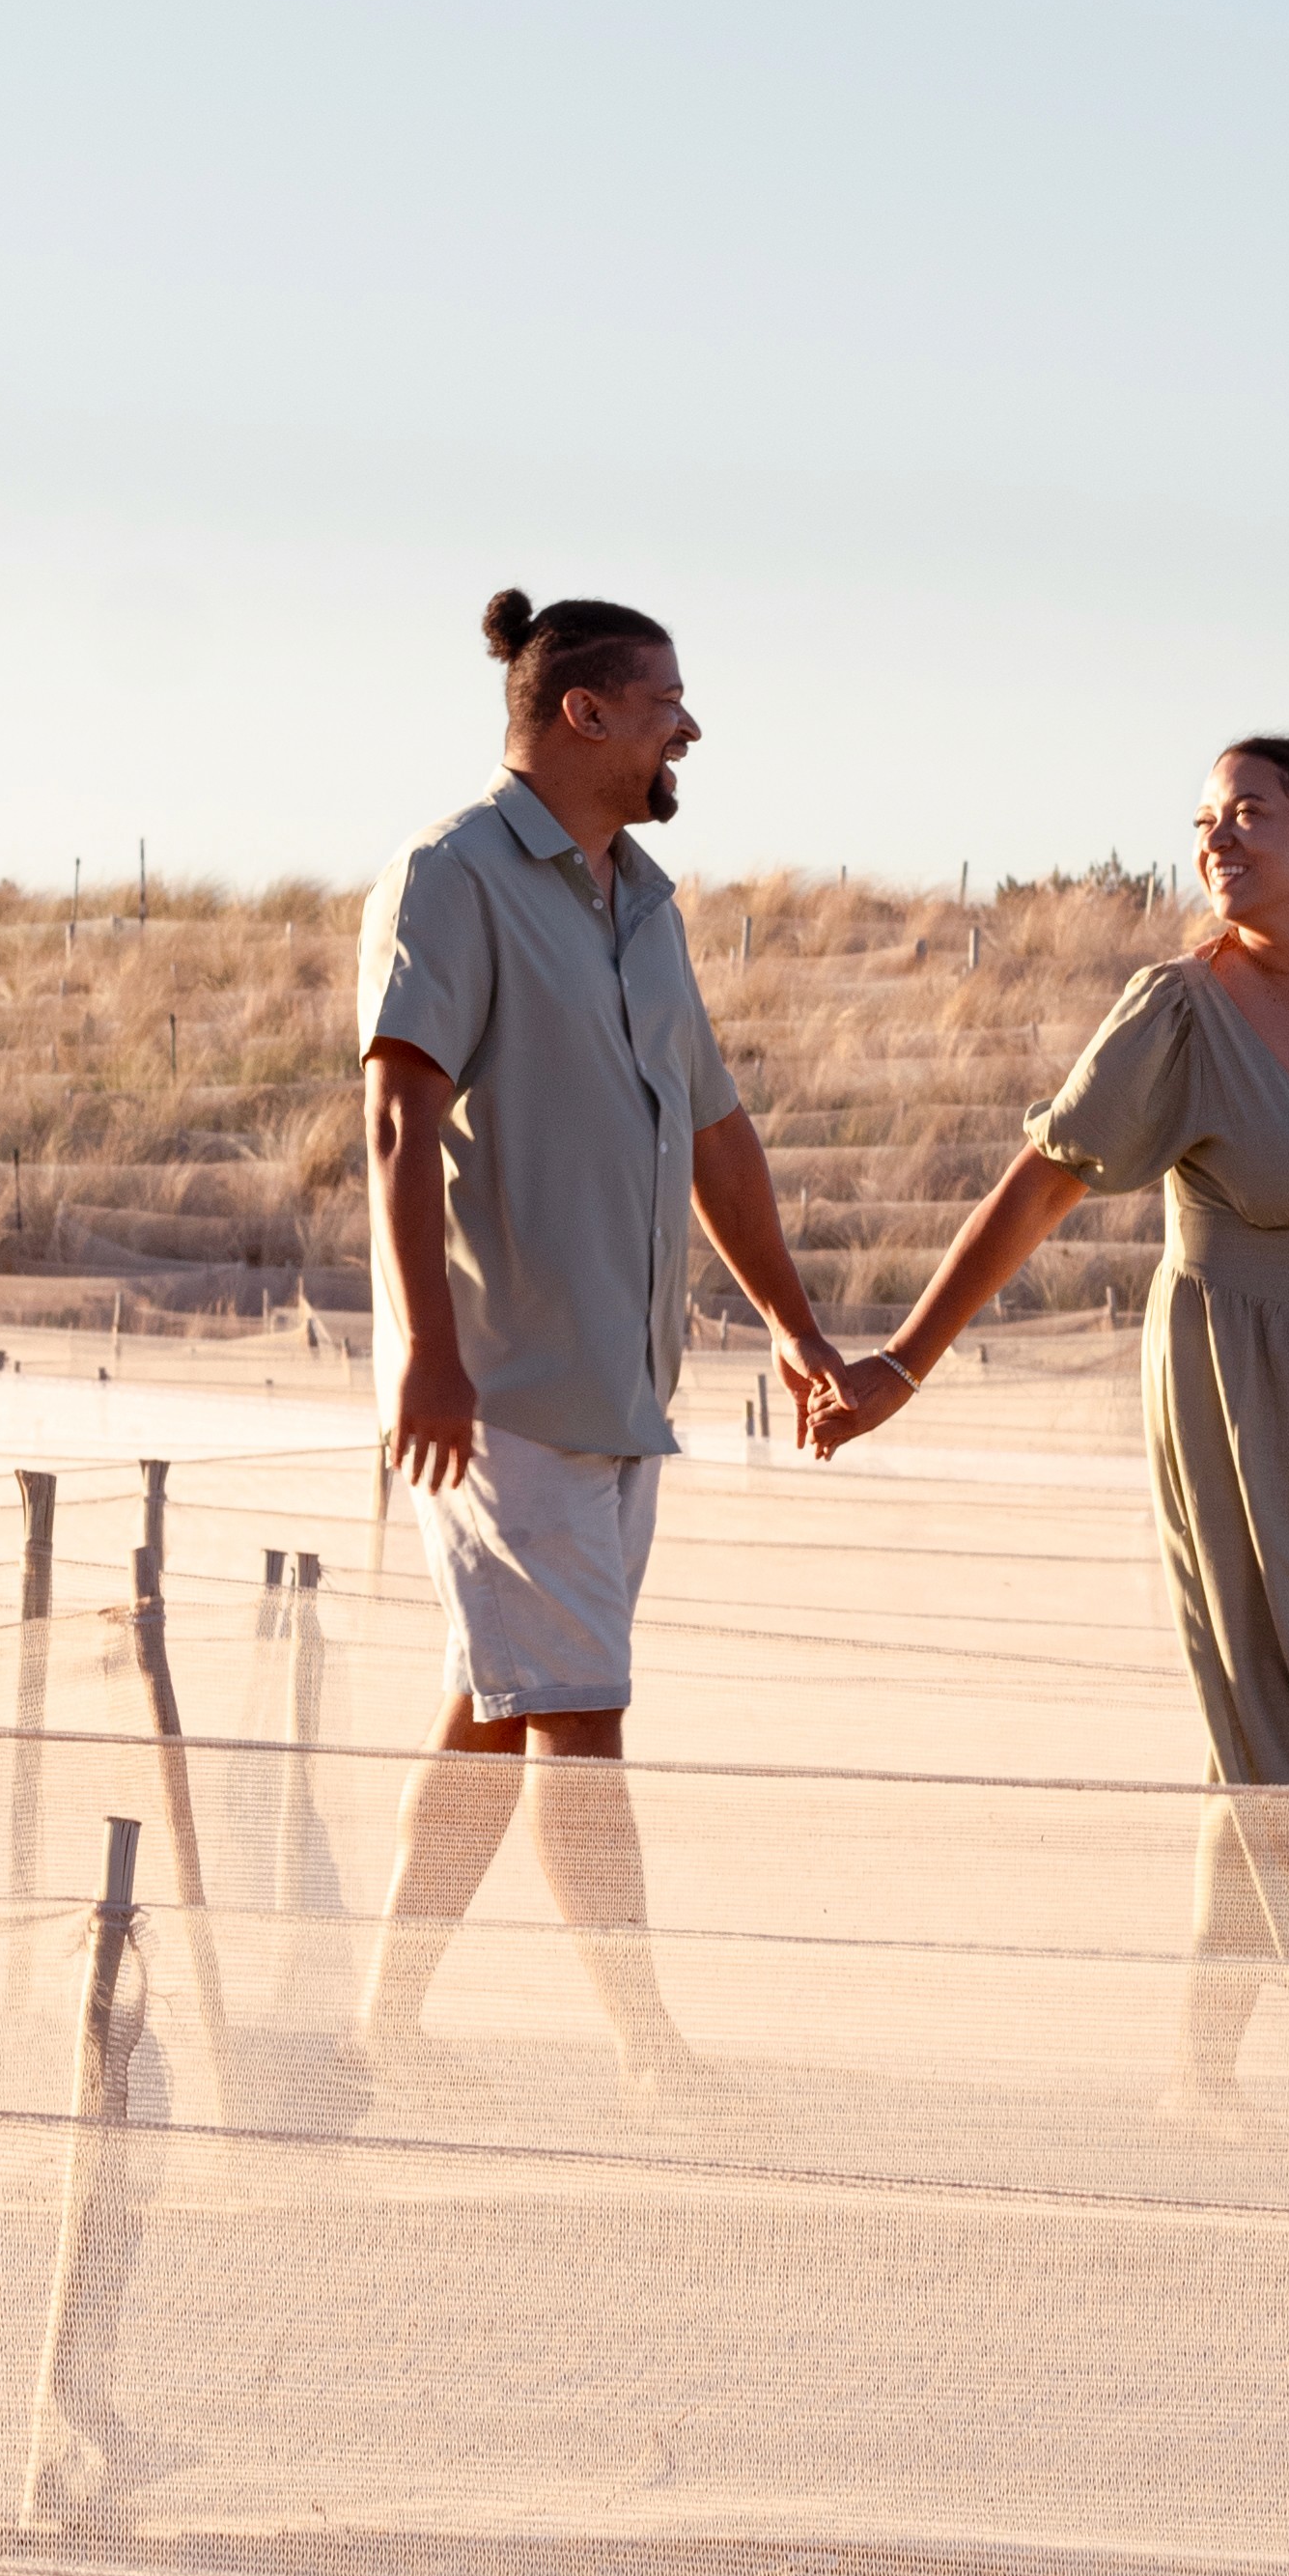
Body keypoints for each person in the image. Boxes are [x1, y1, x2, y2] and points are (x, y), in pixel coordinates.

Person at [810, 737, 1289, 2138]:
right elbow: (1044, 1181)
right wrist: (905, 1362)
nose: (1217, 839)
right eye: (1205, 821)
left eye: (1251, 814)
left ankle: (1200, 2070)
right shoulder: (1177, 1012)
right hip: (1240, 1395)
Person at [355, 588, 843, 2095]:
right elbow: (397, 1115)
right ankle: (654, 2050)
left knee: (501, 1706)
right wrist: (430, 1356)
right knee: (580, 1716)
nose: (688, 726)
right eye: (665, 701)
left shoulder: (646, 900)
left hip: (622, 1390)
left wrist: (796, 1328)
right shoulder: (447, 879)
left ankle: (380, 2024)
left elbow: (715, 1131)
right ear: (584, 714)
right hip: (497, 1389)